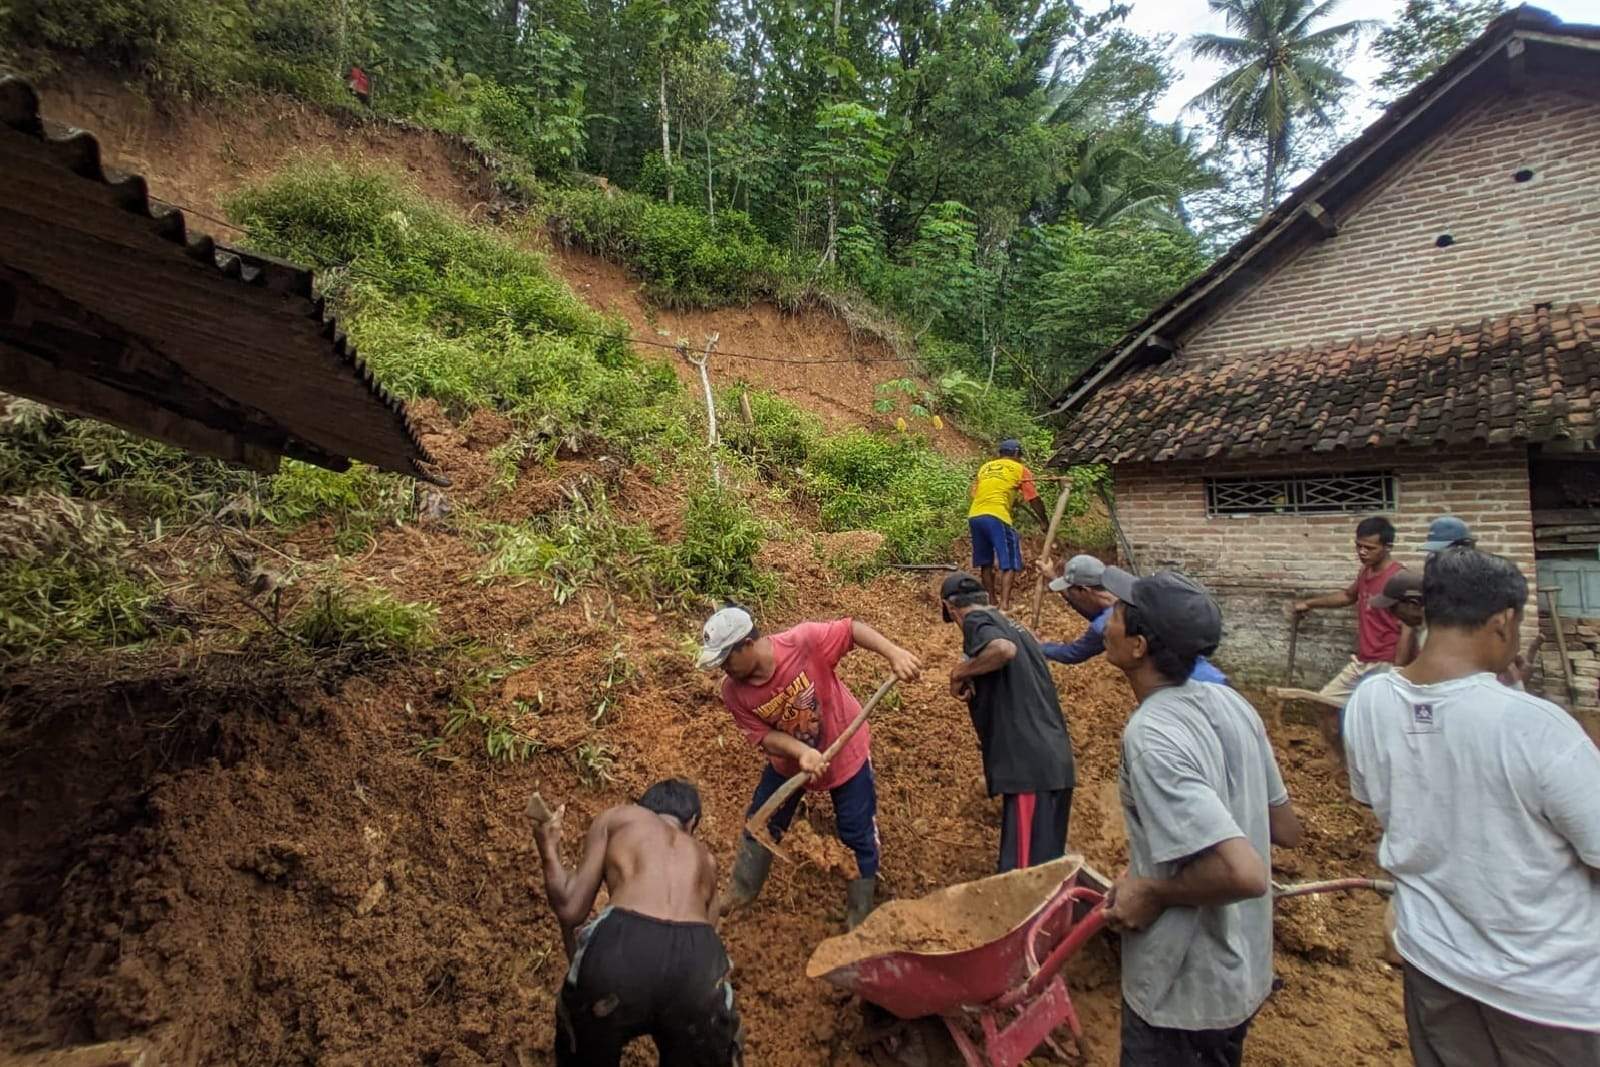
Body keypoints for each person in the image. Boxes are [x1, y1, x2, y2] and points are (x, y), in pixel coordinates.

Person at [1343, 547, 1600, 1066]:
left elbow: (1392, 801)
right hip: (1549, 998)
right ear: (1504, 621)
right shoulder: (1538, 727)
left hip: (1434, 970)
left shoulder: (1368, 703)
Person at [1098, 566, 1302, 1067]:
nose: (1108, 619)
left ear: (1140, 646)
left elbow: (1243, 873)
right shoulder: (1230, 702)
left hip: (1181, 992)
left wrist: (1153, 890)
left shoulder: (1151, 735)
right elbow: (1285, 829)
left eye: (1119, 613)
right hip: (1242, 976)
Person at [699, 606, 921, 928]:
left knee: (856, 830)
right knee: (760, 822)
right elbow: (763, 736)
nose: (722, 668)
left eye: (726, 659)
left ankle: (859, 913)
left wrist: (894, 652)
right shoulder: (733, 692)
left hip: (845, 749)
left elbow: (851, 629)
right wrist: (801, 751)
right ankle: (741, 891)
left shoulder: (802, 642)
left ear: (747, 644)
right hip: (790, 762)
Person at [533, 780, 743, 1066]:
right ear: (692, 822)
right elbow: (710, 937)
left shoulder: (620, 818)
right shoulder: (706, 859)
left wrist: (548, 847)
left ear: (642, 807)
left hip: (624, 948)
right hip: (698, 963)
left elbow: (570, 909)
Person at [939, 572, 1076, 871]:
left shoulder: (976, 622)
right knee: (1046, 871)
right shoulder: (1018, 628)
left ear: (952, 609)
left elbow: (1002, 651)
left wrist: (960, 672)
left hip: (1030, 770)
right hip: (1053, 764)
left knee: (1024, 877)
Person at [1041, 555, 1228, 684]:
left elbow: (1073, 653)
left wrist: (1037, 647)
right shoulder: (1134, 594)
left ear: (1084, 590)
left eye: (1072, 591)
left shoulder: (1108, 622)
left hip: (1194, 688)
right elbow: (1094, 616)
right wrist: (1052, 577)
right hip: (1211, 677)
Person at [967, 438, 1050, 610]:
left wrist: (1010, 497)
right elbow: (1033, 499)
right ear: (1016, 454)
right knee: (1010, 561)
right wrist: (1044, 520)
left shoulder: (985, 468)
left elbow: (975, 493)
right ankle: (1004, 606)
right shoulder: (1020, 469)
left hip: (975, 515)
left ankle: (991, 602)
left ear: (1000, 454)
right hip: (997, 516)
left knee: (986, 562)